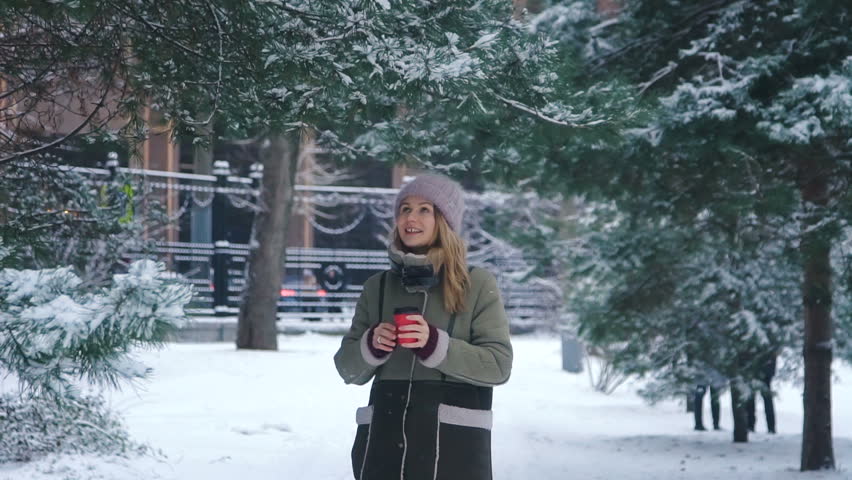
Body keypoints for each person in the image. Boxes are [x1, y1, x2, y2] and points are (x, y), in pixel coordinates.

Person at [333, 174, 513, 480]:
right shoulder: (376, 288)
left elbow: (499, 366)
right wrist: (371, 345)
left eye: (423, 209)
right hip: (383, 450)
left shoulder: (478, 284)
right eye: (404, 209)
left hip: (454, 453)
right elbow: (346, 368)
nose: (410, 218)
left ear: (444, 220)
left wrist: (435, 345)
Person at [746, 352, 777, 434]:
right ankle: (751, 426)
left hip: (762, 372)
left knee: (764, 400)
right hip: (758, 371)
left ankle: (769, 427)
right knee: (753, 400)